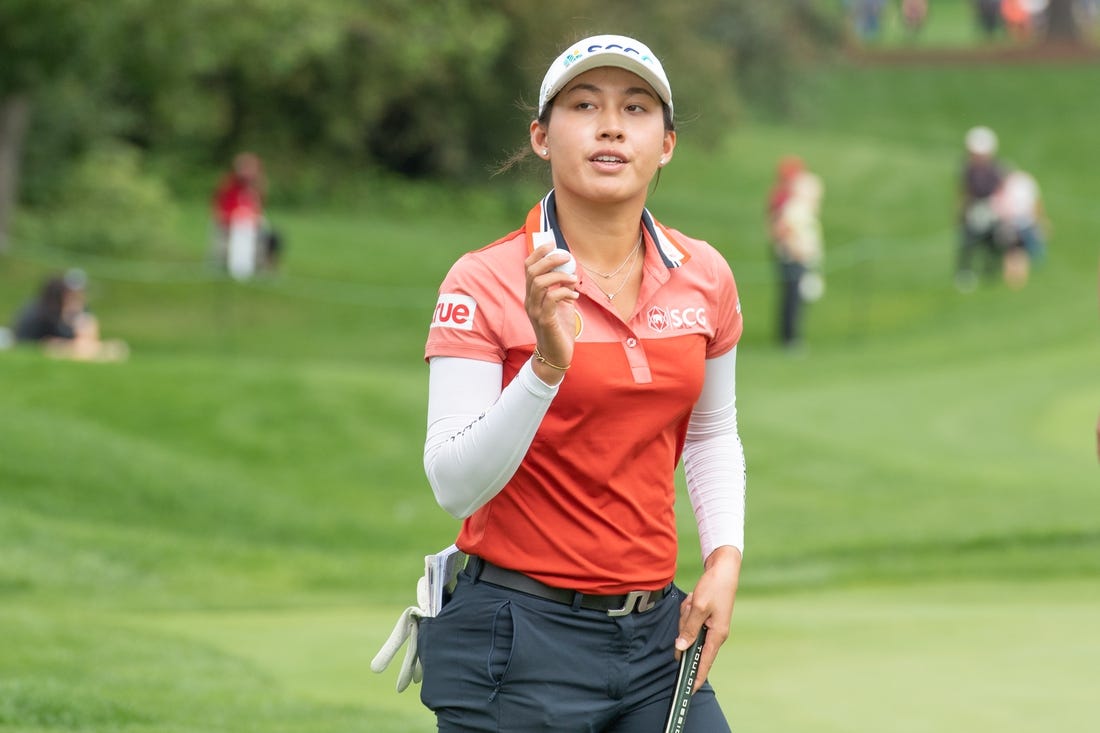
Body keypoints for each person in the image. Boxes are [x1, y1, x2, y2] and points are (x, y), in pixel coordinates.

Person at [417, 34, 745, 731]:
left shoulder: (705, 273)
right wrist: (545, 367)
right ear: (541, 136)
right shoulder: (483, 279)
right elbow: (453, 483)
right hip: (517, 637)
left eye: (635, 108)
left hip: (658, 633)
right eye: (584, 104)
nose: (611, 125)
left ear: (667, 144)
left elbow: (712, 432)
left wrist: (724, 558)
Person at [11, 270, 128, 361]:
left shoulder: (79, 309)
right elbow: (41, 343)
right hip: (38, 345)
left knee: (116, 348)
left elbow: (88, 337)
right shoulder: (42, 310)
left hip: (69, 346)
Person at [771, 165, 825, 349]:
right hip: (794, 259)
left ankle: (793, 337)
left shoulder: (802, 209)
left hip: (801, 259)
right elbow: (782, 230)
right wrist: (797, 250)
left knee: (798, 299)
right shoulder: (795, 208)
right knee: (792, 299)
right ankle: (790, 339)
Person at [211, 152, 281, 278]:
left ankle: (266, 265)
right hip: (231, 223)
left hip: (250, 223)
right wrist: (234, 217)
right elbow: (219, 207)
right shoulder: (228, 184)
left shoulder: (256, 186)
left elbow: (258, 208)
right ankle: (240, 264)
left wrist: (252, 217)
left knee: (274, 235)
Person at [955, 125, 1005, 292]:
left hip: (991, 208)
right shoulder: (968, 169)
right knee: (968, 241)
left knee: (992, 242)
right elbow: (965, 191)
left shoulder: (996, 168)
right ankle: (965, 271)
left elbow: (1001, 189)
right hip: (975, 208)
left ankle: (992, 270)